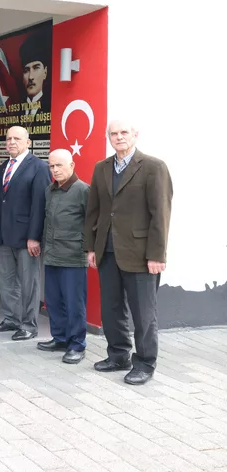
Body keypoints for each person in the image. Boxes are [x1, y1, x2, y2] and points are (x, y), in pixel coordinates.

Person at [85, 121, 173, 385]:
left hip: (141, 254)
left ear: (135, 135)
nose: (119, 137)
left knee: (143, 313)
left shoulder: (154, 167)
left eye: (124, 132)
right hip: (107, 251)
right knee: (111, 309)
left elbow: (161, 215)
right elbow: (94, 210)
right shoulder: (101, 168)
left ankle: (145, 363)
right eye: (113, 133)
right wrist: (91, 247)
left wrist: (157, 255)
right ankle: (118, 355)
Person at [0, 126, 49, 340]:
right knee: (6, 281)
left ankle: (29, 325)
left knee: (29, 283)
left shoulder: (39, 167)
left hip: (26, 239)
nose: (11, 142)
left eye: (17, 138)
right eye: (8, 139)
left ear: (28, 143)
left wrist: (34, 237)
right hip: (4, 236)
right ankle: (11, 319)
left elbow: (40, 205)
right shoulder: (4, 166)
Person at [39, 149, 90, 364]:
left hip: (73, 257)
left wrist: (88, 250)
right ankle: (60, 338)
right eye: (51, 166)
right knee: (53, 301)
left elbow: (92, 223)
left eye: (59, 165)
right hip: (52, 255)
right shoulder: (50, 190)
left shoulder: (83, 190)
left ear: (72, 165)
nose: (55, 170)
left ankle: (77, 345)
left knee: (74, 304)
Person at [19, 29, 52, 116]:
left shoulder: (51, 107)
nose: (30, 77)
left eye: (36, 68)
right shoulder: (16, 113)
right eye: (26, 70)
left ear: (45, 72)